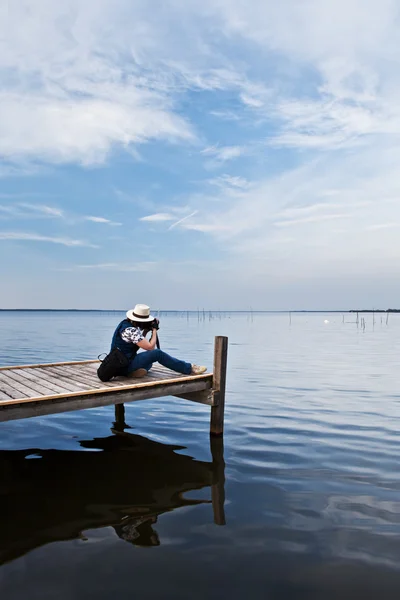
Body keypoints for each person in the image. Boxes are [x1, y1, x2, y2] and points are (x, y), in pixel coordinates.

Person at [110, 304, 207, 378]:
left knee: (149, 361)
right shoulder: (131, 330)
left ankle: (131, 373)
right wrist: (154, 330)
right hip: (124, 365)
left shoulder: (125, 325)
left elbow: (138, 343)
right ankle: (189, 368)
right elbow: (151, 347)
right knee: (157, 354)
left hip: (120, 364)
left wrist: (146, 331)